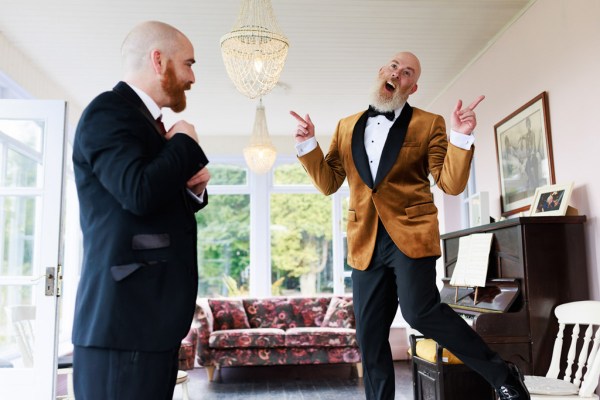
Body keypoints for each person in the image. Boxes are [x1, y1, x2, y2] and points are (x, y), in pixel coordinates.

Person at [290, 51, 530, 400]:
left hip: (410, 234)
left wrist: (461, 137)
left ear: (412, 87)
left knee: (419, 312)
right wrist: (306, 145)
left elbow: (450, 184)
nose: (397, 73)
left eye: (406, 73)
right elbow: (329, 182)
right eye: (392, 66)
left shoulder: (427, 123)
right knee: (370, 334)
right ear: (380, 72)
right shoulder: (346, 126)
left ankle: (501, 373)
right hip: (364, 240)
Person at [71, 21, 210, 399]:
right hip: (124, 324)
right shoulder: (109, 111)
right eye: (189, 64)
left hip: (150, 325)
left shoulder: (144, 123)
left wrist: (191, 189)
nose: (193, 77)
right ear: (158, 60)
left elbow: (143, 206)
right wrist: (183, 141)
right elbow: (137, 192)